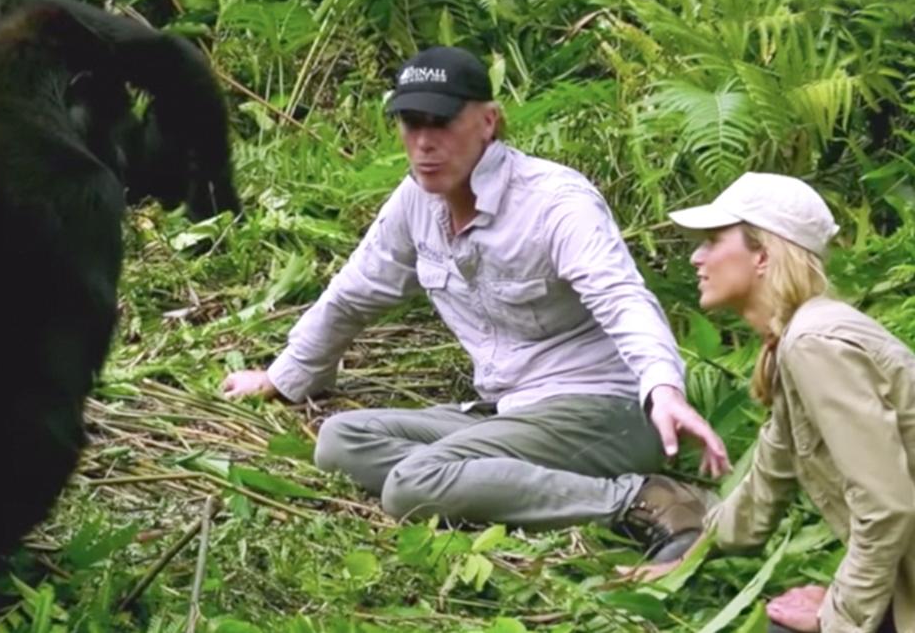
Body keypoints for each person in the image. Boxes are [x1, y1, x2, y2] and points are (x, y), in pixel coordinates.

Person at [221, 46, 731, 561]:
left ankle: (646, 499)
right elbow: (356, 291)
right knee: (340, 440)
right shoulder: (415, 200)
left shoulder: (554, 201)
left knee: (410, 487)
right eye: (409, 122)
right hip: (509, 412)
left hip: (603, 409)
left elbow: (621, 297)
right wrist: (283, 377)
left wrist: (663, 388)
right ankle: (496, 480)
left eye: (440, 123)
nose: (423, 143)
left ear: (487, 122)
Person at [665, 172, 912, 633]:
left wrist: (838, 616)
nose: (697, 257)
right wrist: (686, 558)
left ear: (762, 254)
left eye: (713, 240)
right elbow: (768, 478)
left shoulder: (815, 343)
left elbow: (887, 504)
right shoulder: (795, 344)